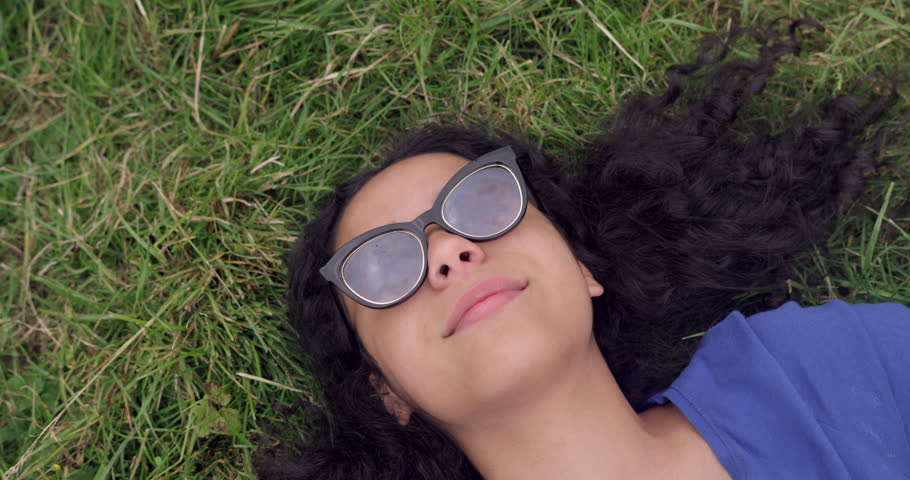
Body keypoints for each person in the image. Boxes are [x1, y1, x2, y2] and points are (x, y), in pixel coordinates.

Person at [256, 18, 908, 479]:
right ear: (385, 393)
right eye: (383, 266)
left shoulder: (824, 371)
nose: (447, 253)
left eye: (484, 203)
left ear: (582, 266)